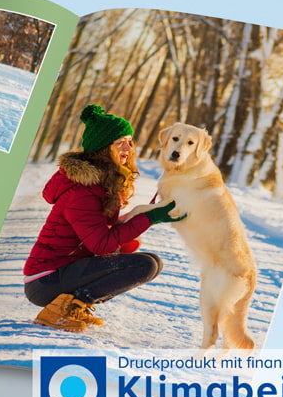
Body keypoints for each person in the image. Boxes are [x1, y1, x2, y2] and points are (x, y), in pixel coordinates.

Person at [22, 105, 188, 331]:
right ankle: (65, 308)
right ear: (103, 149)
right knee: (145, 264)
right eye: (121, 142)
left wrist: (151, 213)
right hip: (46, 280)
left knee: (150, 261)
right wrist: (149, 219)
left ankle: (74, 304)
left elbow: (103, 233)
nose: (129, 148)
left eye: (130, 141)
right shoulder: (82, 190)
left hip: (63, 270)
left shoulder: (100, 183)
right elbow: (101, 244)